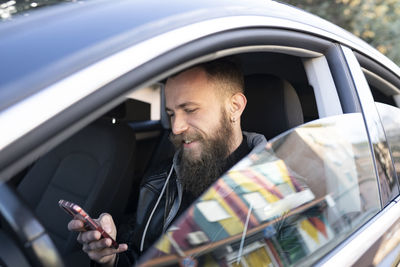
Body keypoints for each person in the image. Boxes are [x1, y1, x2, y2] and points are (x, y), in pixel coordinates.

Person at [67, 59, 267, 266]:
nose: (176, 127)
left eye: (190, 110)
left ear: (234, 107)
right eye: (171, 113)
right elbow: (143, 258)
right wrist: (111, 258)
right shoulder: (159, 181)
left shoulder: (277, 187)